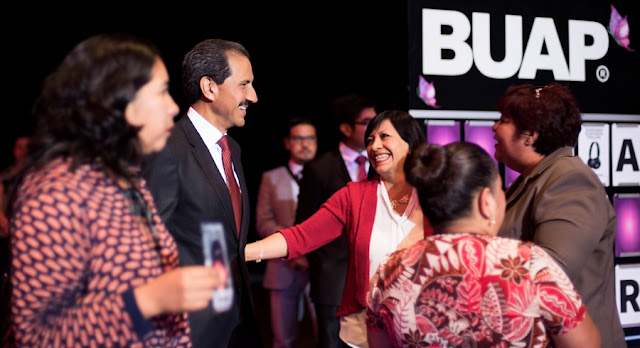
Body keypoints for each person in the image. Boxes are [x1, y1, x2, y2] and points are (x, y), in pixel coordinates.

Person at [2, 33, 228, 347]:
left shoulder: (126, 180)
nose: (173, 106)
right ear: (120, 101)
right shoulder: (55, 192)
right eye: (162, 92)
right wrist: (148, 302)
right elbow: (37, 336)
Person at [366, 141, 601, 348]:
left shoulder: (389, 271)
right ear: (485, 201)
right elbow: (586, 344)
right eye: (501, 190)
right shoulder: (528, 263)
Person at [246, 110, 434, 348]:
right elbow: (301, 236)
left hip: (423, 328)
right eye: (369, 140)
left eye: (384, 136)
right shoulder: (354, 196)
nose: (374, 146)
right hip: (365, 333)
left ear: (410, 143)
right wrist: (242, 253)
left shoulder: (433, 195)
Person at [141, 39, 262, 348]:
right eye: (244, 85)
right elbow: (148, 245)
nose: (253, 97)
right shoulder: (167, 148)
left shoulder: (231, 149)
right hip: (191, 328)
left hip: (238, 320)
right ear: (210, 87)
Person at [492, 83, 625, 348]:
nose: (494, 128)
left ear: (530, 135)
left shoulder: (571, 179)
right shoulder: (531, 180)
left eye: (503, 121)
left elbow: (551, 275)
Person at [295, 93, 377, 348]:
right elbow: (305, 223)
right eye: (367, 122)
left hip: (375, 277)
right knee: (331, 342)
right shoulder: (319, 168)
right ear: (345, 127)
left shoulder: (382, 164)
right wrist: (323, 266)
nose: (375, 128)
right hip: (332, 277)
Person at [255, 116, 319, 348]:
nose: (305, 144)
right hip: (283, 267)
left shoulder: (326, 174)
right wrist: (294, 247)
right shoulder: (271, 178)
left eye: (310, 138)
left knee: (328, 336)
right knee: (283, 339)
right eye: (299, 138)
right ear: (287, 143)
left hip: (319, 268)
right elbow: (263, 222)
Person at [0, 135, 29, 237]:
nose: (23, 151)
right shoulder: (4, 175)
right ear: (14, 150)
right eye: (19, 147)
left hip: (23, 230)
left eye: (27, 148)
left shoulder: (35, 176)